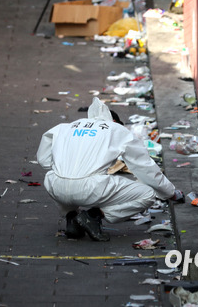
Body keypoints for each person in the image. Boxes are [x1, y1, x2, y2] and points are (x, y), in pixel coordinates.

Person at [37, 97, 183, 241]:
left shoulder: (65, 127)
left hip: (54, 186)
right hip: (89, 189)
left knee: (62, 177)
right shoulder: (117, 130)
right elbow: (144, 168)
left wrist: (66, 167)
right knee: (147, 195)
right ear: (115, 122)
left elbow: (43, 160)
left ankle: (72, 218)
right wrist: (170, 193)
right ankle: (93, 216)